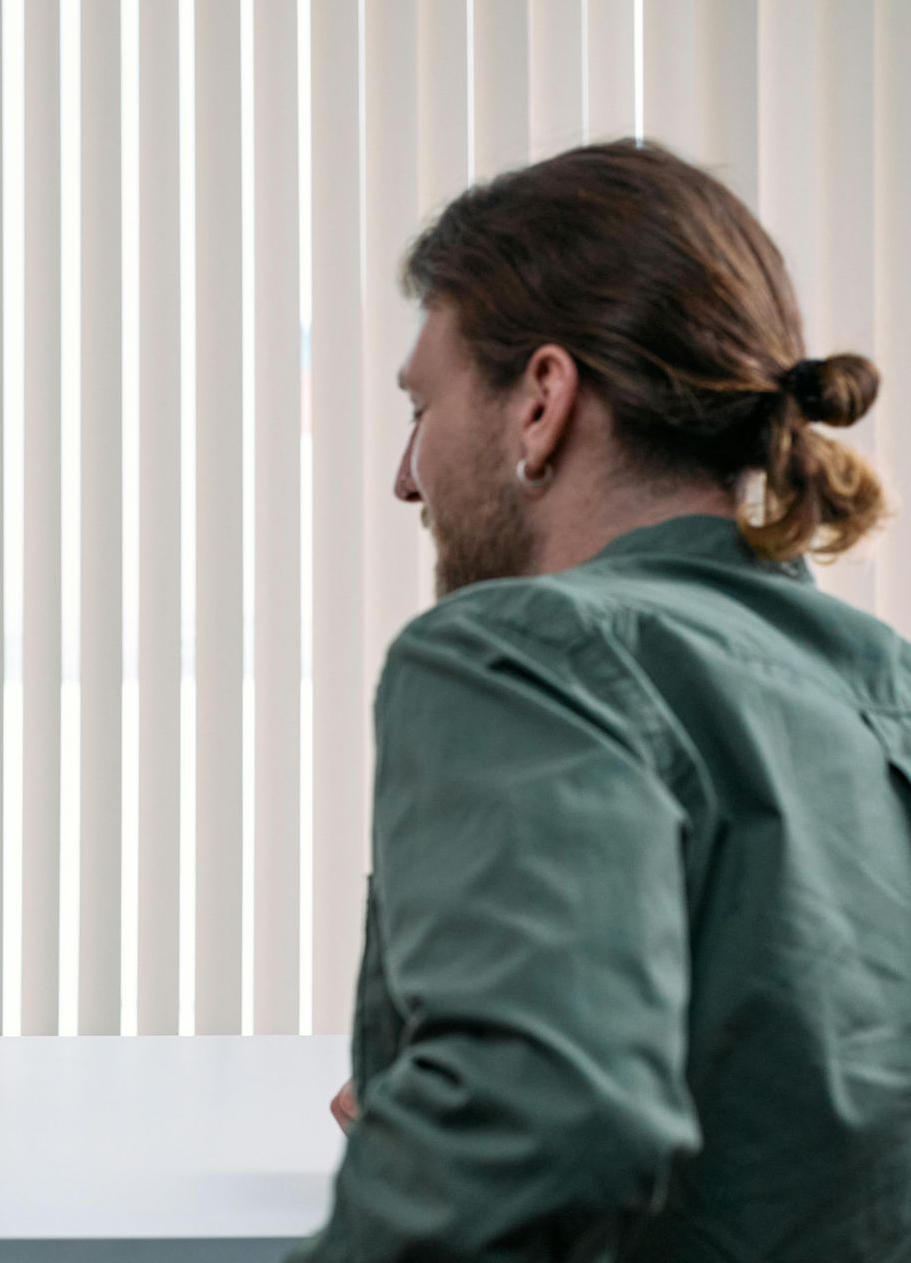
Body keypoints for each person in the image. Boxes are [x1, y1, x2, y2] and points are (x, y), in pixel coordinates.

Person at [293, 141, 911, 1258]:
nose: (404, 475)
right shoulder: (878, 678)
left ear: (541, 401)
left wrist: (470, 1107)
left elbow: (538, 1124)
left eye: (421, 408)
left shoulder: (522, 648)